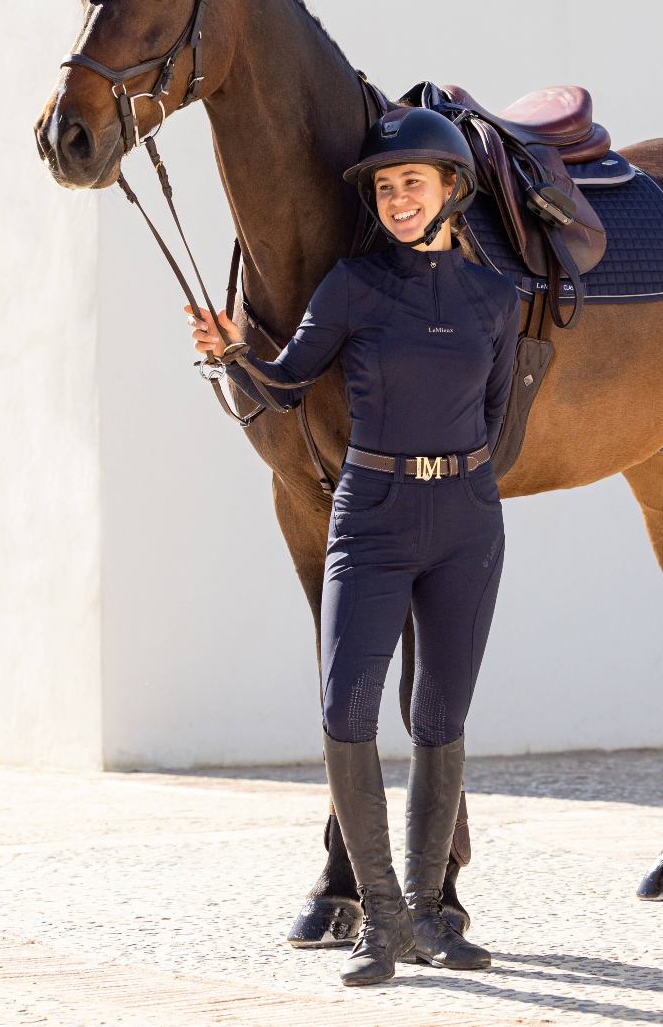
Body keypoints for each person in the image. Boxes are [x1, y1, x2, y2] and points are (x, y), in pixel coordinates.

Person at [185, 107, 521, 987]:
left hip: (467, 525)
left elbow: (494, 415)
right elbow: (290, 384)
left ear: (453, 190)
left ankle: (429, 916)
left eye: (412, 182)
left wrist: (464, 483)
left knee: (442, 719)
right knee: (348, 709)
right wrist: (233, 355)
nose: (397, 198)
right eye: (384, 186)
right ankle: (380, 922)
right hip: (369, 515)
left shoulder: (496, 297)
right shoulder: (351, 285)